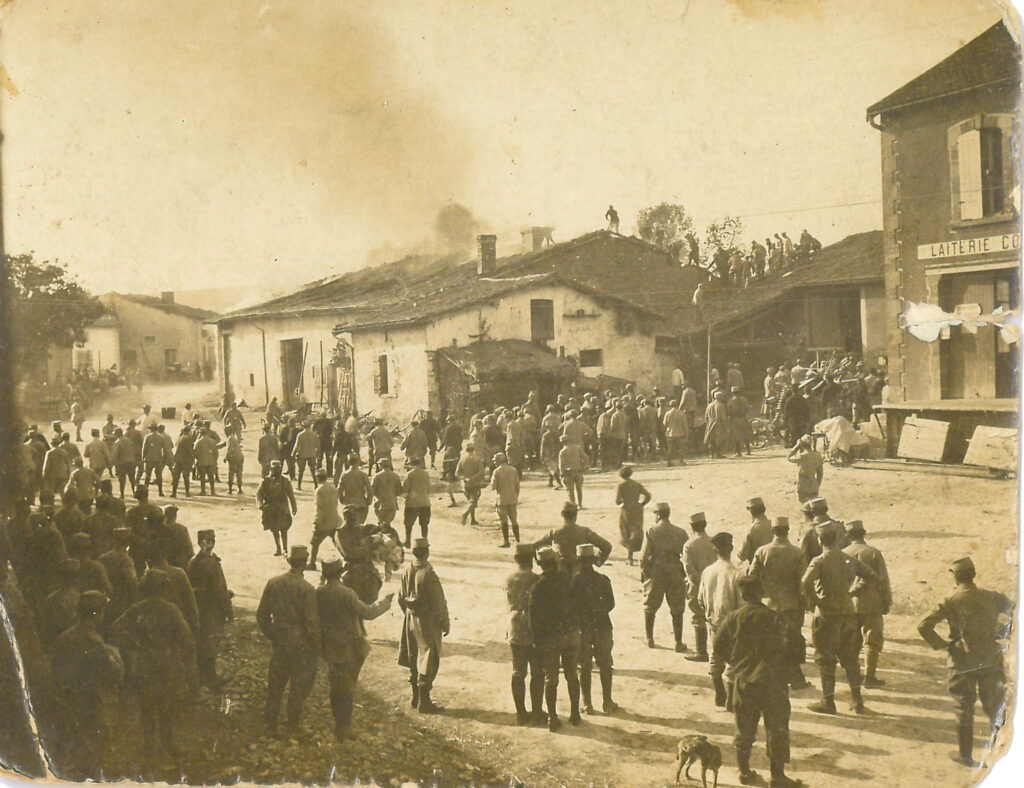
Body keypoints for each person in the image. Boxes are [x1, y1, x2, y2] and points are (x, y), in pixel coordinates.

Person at [918, 557, 1014, 767]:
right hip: (990, 658)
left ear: (955, 577)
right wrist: (1001, 631)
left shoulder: (950, 599)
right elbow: (1013, 607)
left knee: (963, 707)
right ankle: (1002, 754)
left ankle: (966, 756)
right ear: (974, 574)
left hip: (961, 660)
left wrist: (944, 645)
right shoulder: (991, 596)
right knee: (995, 706)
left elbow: (923, 625)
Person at [713, 575, 800, 788]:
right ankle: (777, 776)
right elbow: (796, 646)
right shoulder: (774, 617)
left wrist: (736, 663)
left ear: (742, 595)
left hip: (744, 682)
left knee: (744, 728)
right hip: (774, 682)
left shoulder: (733, 617)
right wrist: (784, 668)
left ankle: (744, 773)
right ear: (761, 592)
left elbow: (717, 645)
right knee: (777, 727)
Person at [111, 569, 197, 763]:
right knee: (168, 706)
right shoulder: (171, 609)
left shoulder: (137, 609)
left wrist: (134, 645)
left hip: (144, 666)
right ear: (163, 588)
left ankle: (151, 748)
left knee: (148, 708)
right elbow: (187, 639)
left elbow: (116, 629)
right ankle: (168, 744)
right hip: (168, 665)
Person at [800, 522, 875, 714]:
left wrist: (816, 600)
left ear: (819, 540)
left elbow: (805, 582)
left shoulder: (819, 560)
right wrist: (852, 591)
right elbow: (871, 575)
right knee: (850, 658)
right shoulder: (847, 559)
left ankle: (828, 700)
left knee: (826, 659)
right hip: (848, 614)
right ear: (837, 539)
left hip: (826, 616)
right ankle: (857, 702)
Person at [316, 558, 394, 740]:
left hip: (329, 647)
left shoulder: (318, 592)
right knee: (347, 687)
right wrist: (385, 602)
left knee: (336, 685)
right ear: (340, 572)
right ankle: (344, 727)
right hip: (350, 647)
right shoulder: (347, 593)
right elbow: (368, 613)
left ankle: (339, 723)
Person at [51, 591, 124, 778]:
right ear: (98, 614)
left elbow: (56, 669)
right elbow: (114, 674)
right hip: (92, 703)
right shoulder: (94, 643)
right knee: (93, 750)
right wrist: (115, 658)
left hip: (68, 700)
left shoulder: (65, 637)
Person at [257, 545, 320, 737]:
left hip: (280, 643)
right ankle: (293, 726)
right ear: (305, 562)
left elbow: (262, 615)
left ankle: (270, 726)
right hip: (300, 645)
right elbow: (311, 624)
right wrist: (315, 647)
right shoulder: (307, 589)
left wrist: (273, 635)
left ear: (288, 561)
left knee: (275, 686)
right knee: (297, 687)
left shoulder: (274, 582)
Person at [748, 517, 810, 688]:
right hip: (791, 604)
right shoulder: (798, 553)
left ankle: (769, 679)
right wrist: (804, 602)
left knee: (769, 641)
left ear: (772, 531)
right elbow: (802, 582)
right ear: (787, 530)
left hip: (768, 604)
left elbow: (752, 576)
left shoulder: (762, 551)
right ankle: (796, 679)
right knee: (792, 640)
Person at [529, 545, 581, 731]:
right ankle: (575, 713)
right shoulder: (567, 579)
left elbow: (534, 618)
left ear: (538, 564)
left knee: (551, 679)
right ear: (555, 562)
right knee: (572, 674)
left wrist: (537, 640)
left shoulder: (537, 587)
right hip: (570, 633)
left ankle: (552, 717)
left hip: (550, 638)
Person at [398, 537, 450, 714]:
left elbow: (400, 597)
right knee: (429, 658)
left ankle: (415, 697)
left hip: (411, 619)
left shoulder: (406, 569)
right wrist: (444, 622)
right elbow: (439, 602)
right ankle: (424, 701)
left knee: (414, 656)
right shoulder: (429, 573)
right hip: (427, 621)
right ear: (426, 552)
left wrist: (409, 613)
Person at [843, 521, 892, 689]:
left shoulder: (842, 553)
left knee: (852, 640)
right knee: (872, 640)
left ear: (848, 536)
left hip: (849, 604)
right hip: (872, 603)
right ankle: (869, 677)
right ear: (863, 533)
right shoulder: (873, 553)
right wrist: (887, 601)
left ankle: (853, 675)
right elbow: (883, 581)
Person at [570, 544, 617, 714]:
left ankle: (587, 704)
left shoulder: (573, 582)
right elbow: (611, 604)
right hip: (602, 625)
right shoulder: (603, 580)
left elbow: (569, 607)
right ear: (593, 561)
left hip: (582, 628)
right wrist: (598, 611)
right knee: (605, 663)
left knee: (584, 665)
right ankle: (607, 702)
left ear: (578, 561)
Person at [699, 532, 744, 709]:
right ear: (731, 548)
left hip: (714, 622)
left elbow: (700, 598)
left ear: (714, 550)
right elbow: (742, 604)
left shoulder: (707, 571)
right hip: (732, 623)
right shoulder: (737, 574)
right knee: (733, 660)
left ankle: (719, 693)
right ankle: (730, 699)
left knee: (715, 656)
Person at [637, 502, 689, 651]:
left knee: (650, 607)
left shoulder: (651, 531)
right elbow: (686, 555)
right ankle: (678, 642)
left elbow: (643, 557)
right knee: (677, 608)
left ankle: (649, 639)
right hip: (674, 572)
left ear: (658, 515)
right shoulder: (680, 532)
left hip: (656, 572)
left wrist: (645, 573)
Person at [187, 529, 233, 691]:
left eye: (212, 540)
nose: (210, 544)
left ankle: (204, 676)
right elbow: (219, 591)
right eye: (207, 541)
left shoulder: (200, 561)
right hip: (209, 610)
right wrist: (228, 610)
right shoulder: (203, 562)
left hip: (204, 608)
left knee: (205, 642)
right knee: (209, 643)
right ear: (199, 543)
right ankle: (209, 679)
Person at [505, 543, 545, 726]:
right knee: (537, 672)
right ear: (533, 560)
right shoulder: (537, 579)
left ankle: (521, 713)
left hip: (515, 627)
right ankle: (537, 711)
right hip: (534, 629)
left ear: (516, 559)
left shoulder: (509, 578)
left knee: (518, 672)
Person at [534, 501, 612, 578]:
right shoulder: (584, 532)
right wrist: (596, 560)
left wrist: (543, 563)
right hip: (581, 574)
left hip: (561, 575)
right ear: (576, 515)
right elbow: (607, 546)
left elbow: (534, 547)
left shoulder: (554, 533)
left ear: (562, 514)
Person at [683, 512, 718, 662]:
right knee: (715, 616)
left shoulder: (689, 544)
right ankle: (717, 651)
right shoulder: (713, 542)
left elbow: (688, 568)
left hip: (698, 585)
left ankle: (701, 651)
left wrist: (700, 581)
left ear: (691, 527)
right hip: (715, 583)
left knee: (698, 616)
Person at [98, 528, 138, 629]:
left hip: (105, 599)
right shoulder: (126, 560)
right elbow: (132, 582)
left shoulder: (103, 557)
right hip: (122, 600)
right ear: (128, 542)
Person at [257, 460, 297, 556]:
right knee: (274, 530)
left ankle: (285, 549)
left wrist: (294, 507)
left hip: (282, 509)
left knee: (283, 529)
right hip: (271, 509)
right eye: (275, 469)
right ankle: (278, 548)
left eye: (279, 469)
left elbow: (291, 495)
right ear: (271, 469)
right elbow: (258, 494)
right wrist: (260, 505)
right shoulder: (265, 481)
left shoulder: (285, 481)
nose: (277, 471)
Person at [615, 466, 651, 565]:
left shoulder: (621, 485)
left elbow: (617, 501)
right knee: (636, 530)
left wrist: (623, 502)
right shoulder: (637, 484)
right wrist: (642, 504)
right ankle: (643, 555)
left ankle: (629, 557)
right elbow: (648, 496)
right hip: (637, 509)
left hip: (626, 510)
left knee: (626, 531)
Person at [309, 470, 341, 567]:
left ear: (317, 478)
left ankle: (312, 563)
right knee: (338, 542)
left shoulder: (319, 490)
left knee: (314, 543)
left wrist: (317, 521)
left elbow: (320, 507)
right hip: (334, 519)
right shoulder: (333, 488)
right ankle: (347, 560)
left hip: (323, 521)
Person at [490, 452, 521, 548]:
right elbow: (517, 485)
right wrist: (515, 496)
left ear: (498, 461)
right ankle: (518, 540)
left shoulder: (497, 471)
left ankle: (506, 541)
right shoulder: (513, 470)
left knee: (504, 521)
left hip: (502, 499)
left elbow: (493, 486)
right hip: (512, 498)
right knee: (514, 521)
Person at [402, 456, 432, 547]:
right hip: (424, 501)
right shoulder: (425, 474)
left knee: (408, 524)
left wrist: (405, 497)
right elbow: (428, 488)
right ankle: (424, 541)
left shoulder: (409, 474)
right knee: (424, 524)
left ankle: (407, 541)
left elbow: (405, 490)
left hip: (412, 503)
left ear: (410, 464)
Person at [339, 453, 372, 525]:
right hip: (361, 504)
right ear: (358, 461)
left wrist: (342, 500)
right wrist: (368, 501)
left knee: (349, 527)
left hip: (349, 504)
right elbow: (369, 489)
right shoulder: (363, 474)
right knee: (360, 527)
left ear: (348, 462)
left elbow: (339, 490)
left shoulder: (344, 475)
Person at [456, 443, 485, 526]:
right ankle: (465, 514)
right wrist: (473, 478)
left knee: (471, 501)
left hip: (465, 484)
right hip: (475, 483)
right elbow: (481, 472)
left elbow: (457, 473)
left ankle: (472, 519)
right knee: (473, 502)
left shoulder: (462, 460)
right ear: (474, 449)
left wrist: (464, 478)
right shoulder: (478, 459)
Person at [788, 435, 823, 502]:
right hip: (813, 484)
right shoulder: (818, 455)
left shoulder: (801, 456)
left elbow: (789, 457)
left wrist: (797, 446)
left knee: (805, 507)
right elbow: (820, 473)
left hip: (803, 485)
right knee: (814, 506)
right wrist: (817, 484)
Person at [737, 497, 773, 564]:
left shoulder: (752, 529)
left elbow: (742, 556)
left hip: (758, 569)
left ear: (751, 512)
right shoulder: (774, 524)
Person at [371, 458, 403, 531]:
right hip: (392, 503)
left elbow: (372, 490)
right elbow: (400, 491)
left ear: (381, 466)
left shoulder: (377, 476)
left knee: (381, 524)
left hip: (380, 504)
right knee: (388, 524)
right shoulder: (395, 476)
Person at [558, 435, 588, 508]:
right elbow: (585, 458)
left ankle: (573, 505)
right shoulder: (578, 448)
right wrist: (584, 466)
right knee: (579, 489)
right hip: (578, 470)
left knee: (570, 490)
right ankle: (580, 505)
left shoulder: (562, 451)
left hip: (568, 472)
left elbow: (561, 464)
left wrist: (562, 474)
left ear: (562, 443)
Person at [704, 391, 731, 459]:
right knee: (719, 439)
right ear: (719, 397)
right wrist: (726, 426)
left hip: (710, 423)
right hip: (718, 424)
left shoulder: (709, 405)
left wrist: (708, 423)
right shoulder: (720, 405)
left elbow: (706, 416)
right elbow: (723, 417)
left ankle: (711, 454)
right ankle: (718, 454)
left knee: (711, 439)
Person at [292, 421, 319, 490]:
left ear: (302, 426)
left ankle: (299, 486)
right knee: (313, 471)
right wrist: (317, 454)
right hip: (312, 454)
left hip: (302, 454)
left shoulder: (300, 434)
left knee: (301, 471)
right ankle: (316, 485)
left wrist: (293, 454)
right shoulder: (314, 434)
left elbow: (297, 446)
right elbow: (318, 445)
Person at [193, 427, 219, 495]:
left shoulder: (198, 442)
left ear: (200, 433)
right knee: (211, 478)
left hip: (201, 462)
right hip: (211, 462)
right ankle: (212, 491)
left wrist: (198, 459)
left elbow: (195, 452)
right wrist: (214, 460)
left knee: (202, 478)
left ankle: (203, 491)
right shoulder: (212, 441)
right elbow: (216, 452)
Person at [663, 400, 689, 466]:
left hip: (670, 433)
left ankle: (669, 462)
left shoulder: (668, 413)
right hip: (680, 433)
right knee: (681, 448)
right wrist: (687, 433)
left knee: (670, 449)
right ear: (677, 404)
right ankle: (681, 461)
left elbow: (664, 423)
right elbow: (685, 424)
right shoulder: (681, 413)